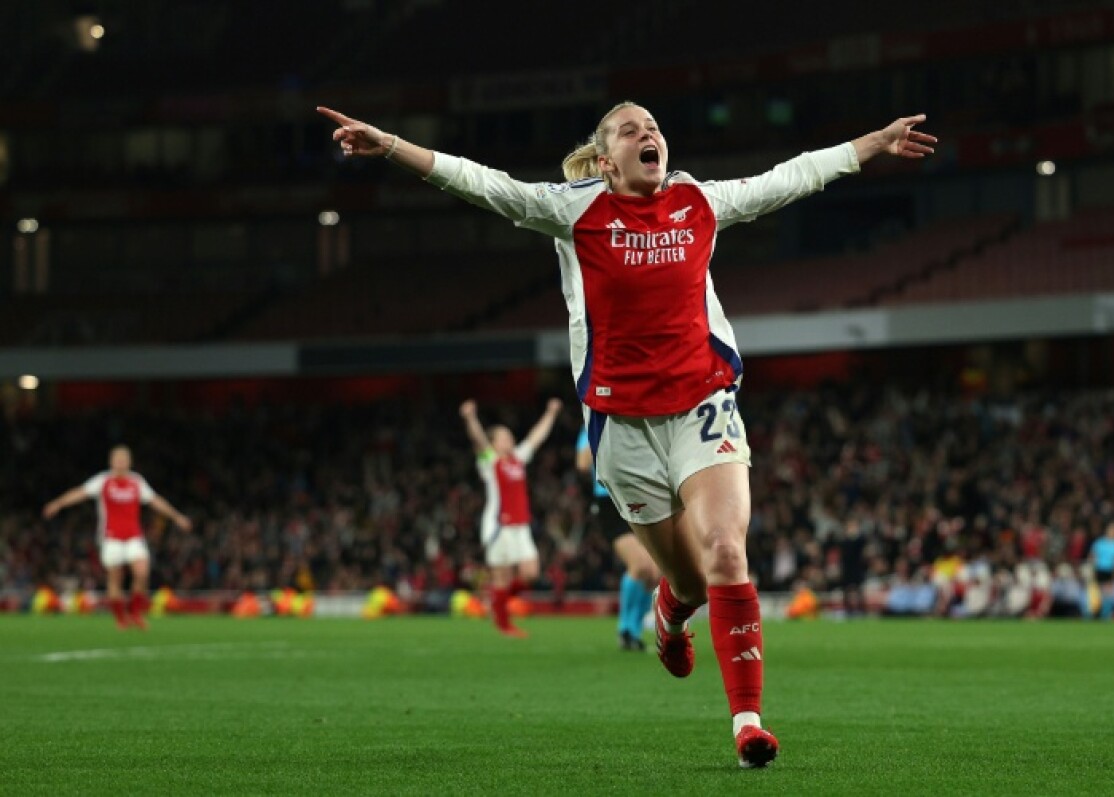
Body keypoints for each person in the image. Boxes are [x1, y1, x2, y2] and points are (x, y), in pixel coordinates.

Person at [320, 100, 934, 768]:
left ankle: (748, 724)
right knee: (689, 579)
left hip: (704, 405)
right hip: (622, 427)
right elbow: (485, 184)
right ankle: (671, 613)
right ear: (606, 158)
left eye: (656, 127)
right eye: (630, 129)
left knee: (728, 552)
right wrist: (392, 146)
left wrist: (873, 140)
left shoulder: (697, 201)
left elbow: (787, 178)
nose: (650, 134)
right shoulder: (576, 210)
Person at [42, 445, 191, 629]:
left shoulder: (136, 481)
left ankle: (135, 612)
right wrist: (58, 503)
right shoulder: (102, 481)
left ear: (130, 462)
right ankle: (121, 618)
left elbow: (155, 500)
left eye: (124, 459)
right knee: (116, 578)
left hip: (133, 536)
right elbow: (80, 492)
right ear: (111, 461)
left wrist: (177, 516)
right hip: (110, 536)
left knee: (142, 572)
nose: (120, 462)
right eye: (117, 459)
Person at [459, 398, 562, 638]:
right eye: (503, 437)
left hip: (520, 525)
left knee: (531, 572)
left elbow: (536, 438)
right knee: (502, 576)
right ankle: (503, 624)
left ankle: (494, 600)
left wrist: (551, 413)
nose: (509, 439)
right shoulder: (489, 462)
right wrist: (470, 418)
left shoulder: (517, 458)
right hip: (498, 526)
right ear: (494, 443)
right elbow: (478, 440)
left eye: (509, 436)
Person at [576, 426, 659, 651]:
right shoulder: (594, 424)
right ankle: (625, 629)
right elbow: (583, 464)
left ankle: (634, 631)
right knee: (640, 565)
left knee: (654, 572)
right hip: (610, 502)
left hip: (640, 499)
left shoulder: (634, 424)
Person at [1088, 520, 1114, 619]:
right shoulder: (1099, 543)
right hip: (1099, 569)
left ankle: (1106, 615)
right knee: (1097, 594)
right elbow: (1093, 556)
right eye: (1112, 529)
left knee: (1108, 594)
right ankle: (1095, 614)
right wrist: (1093, 569)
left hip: (1110, 570)